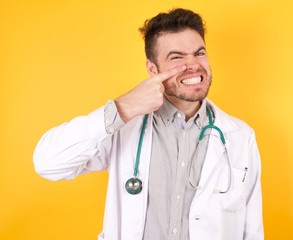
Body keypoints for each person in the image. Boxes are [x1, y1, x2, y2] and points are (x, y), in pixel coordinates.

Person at [33, 8, 264, 240]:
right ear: (153, 70)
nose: (193, 64)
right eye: (177, 57)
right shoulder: (123, 127)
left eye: (199, 53)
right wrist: (122, 108)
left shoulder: (240, 136)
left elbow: (252, 229)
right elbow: (47, 163)